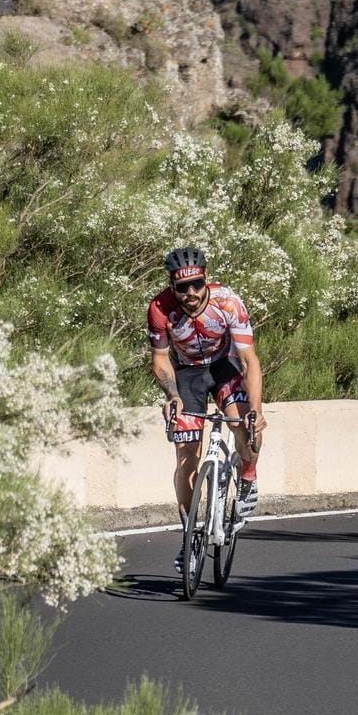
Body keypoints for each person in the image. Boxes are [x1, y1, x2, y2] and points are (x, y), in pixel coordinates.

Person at [147, 246, 266, 574]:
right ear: (172, 287)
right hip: (187, 376)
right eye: (182, 287)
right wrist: (172, 395)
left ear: (205, 279)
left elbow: (249, 360)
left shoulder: (228, 302)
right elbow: (160, 360)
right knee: (186, 456)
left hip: (225, 367)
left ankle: (248, 475)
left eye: (196, 284)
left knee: (247, 428)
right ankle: (190, 537)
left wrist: (255, 411)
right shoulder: (159, 309)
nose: (191, 293)